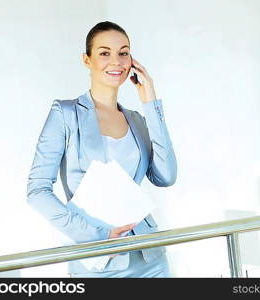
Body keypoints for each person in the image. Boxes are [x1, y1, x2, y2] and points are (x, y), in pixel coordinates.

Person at [26, 21, 177, 278]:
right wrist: (98, 234)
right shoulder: (65, 113)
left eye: (124, 53)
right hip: (97, 258)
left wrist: (151, 103)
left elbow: (166, 176)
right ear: (87, 60)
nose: (116, 61)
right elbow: (37, 191)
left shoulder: (137, 120)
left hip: (148, 255)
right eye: (104, 53)